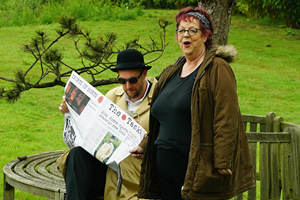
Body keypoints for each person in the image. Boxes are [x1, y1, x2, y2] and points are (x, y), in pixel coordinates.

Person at [131, 6, 255, 200]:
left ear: (205, 36)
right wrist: (145, 145)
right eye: (181, 30)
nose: (185, 35)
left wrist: (222, 160)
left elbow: (226, 115)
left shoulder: (217, 68)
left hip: (196, 169)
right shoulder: (171, 71)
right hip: (163, 171)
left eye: (192, 30)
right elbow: (162, 119)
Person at [58, 48, 157, 200]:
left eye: (132, 80)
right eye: (122, 81)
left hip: (139, 173)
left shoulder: (159, 96)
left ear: (144, 74)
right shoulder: (113, 95)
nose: (127, 86)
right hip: (110, 169)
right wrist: (69, 112)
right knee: (76, 155)